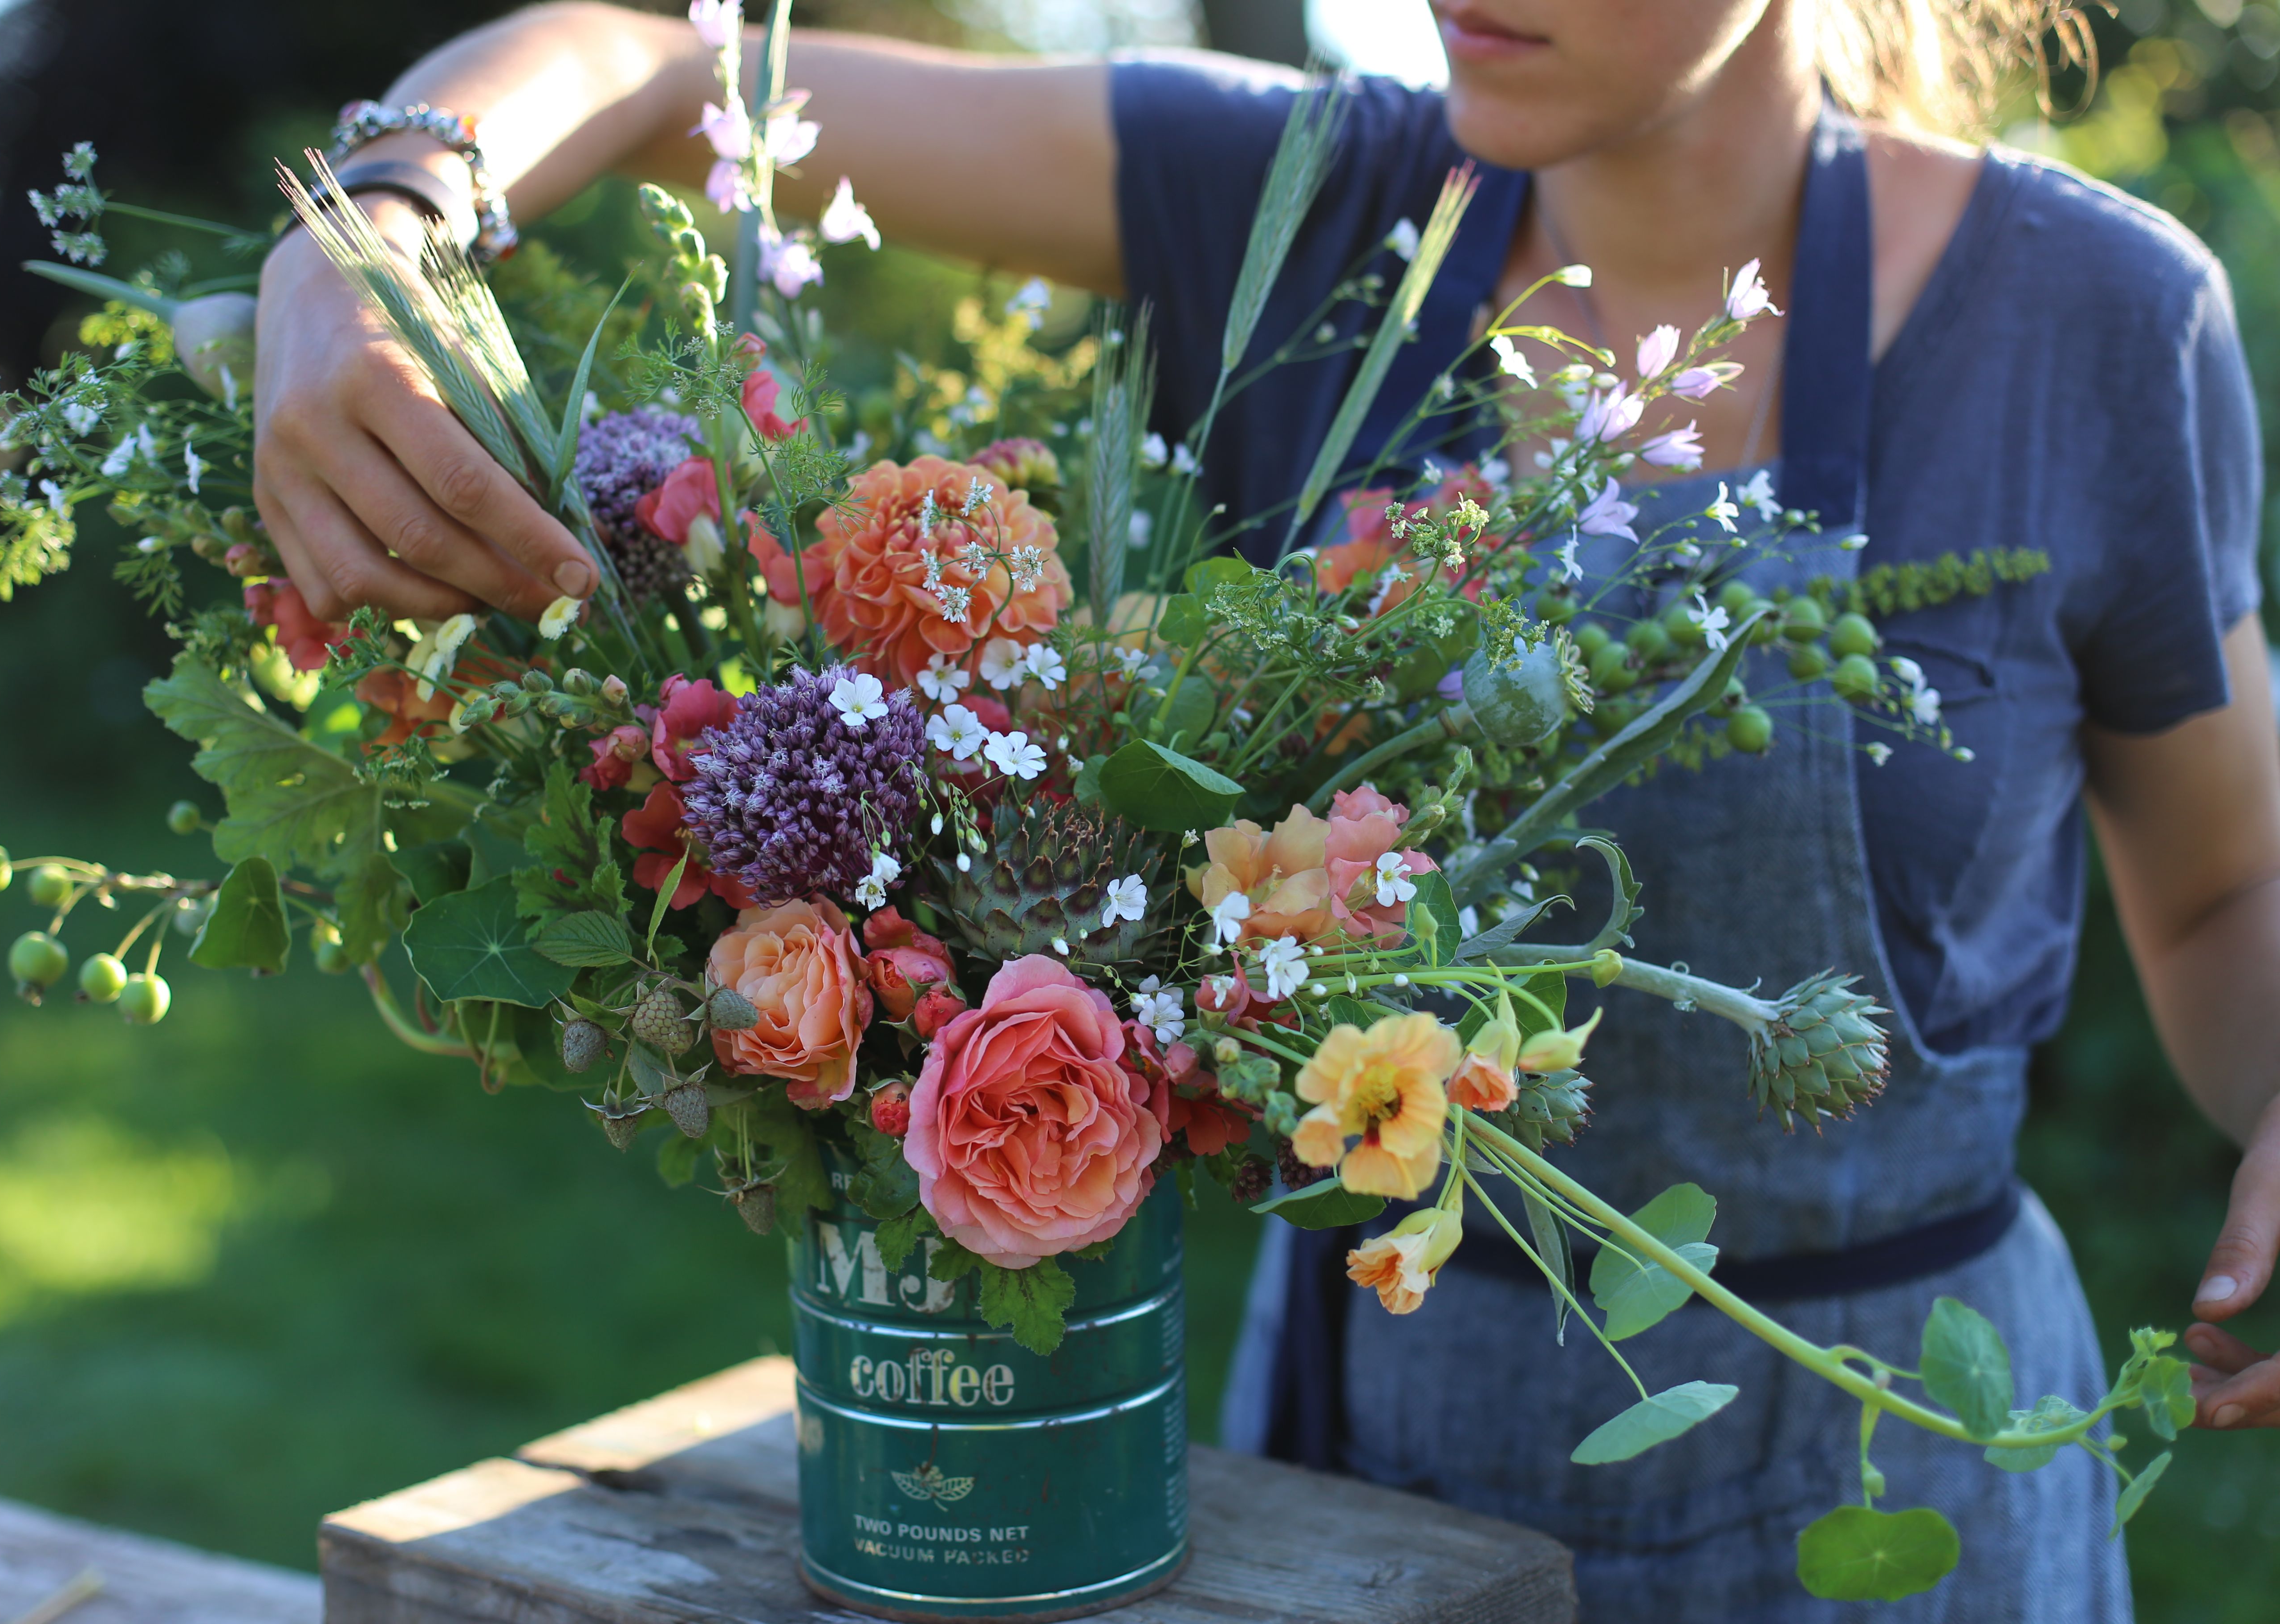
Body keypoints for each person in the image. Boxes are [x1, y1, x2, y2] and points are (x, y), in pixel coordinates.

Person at [252, 3, 2280, 1617]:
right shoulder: (1318, 200)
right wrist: (370, 238)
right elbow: (665, 59)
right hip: (1362, 1473)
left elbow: (2222, 896)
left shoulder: (2094, 321)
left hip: (1894, 1469)